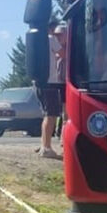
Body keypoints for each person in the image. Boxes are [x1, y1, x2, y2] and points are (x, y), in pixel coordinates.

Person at [36, 24, 66, 158]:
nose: (56, 36)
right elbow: (63, 54)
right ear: (50, 30)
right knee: (51, 115)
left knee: (47, 115)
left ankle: (44, 144)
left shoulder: (37, 40)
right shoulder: (50, 39)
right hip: (51, 81)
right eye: (55, 32)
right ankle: (47, 148)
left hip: (40, 82)